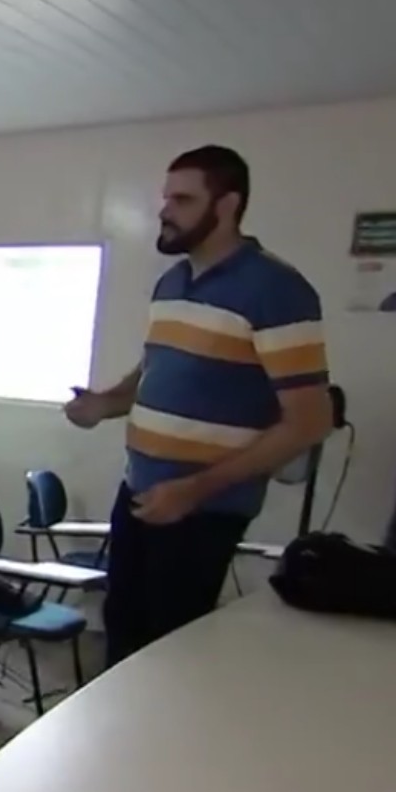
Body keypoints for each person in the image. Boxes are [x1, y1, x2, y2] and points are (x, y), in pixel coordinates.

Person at [65, 145, 332, 667]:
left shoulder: (276, 289)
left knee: (165, 654)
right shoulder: (173, 282)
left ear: (227, 205)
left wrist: (194, 489)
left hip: (202, 508)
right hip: (140, 492)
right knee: (121, 636)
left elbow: (310, 420)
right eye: (166, 198)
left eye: (182, 199)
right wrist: (106, 403)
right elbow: (154, 372)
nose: (165, 210)